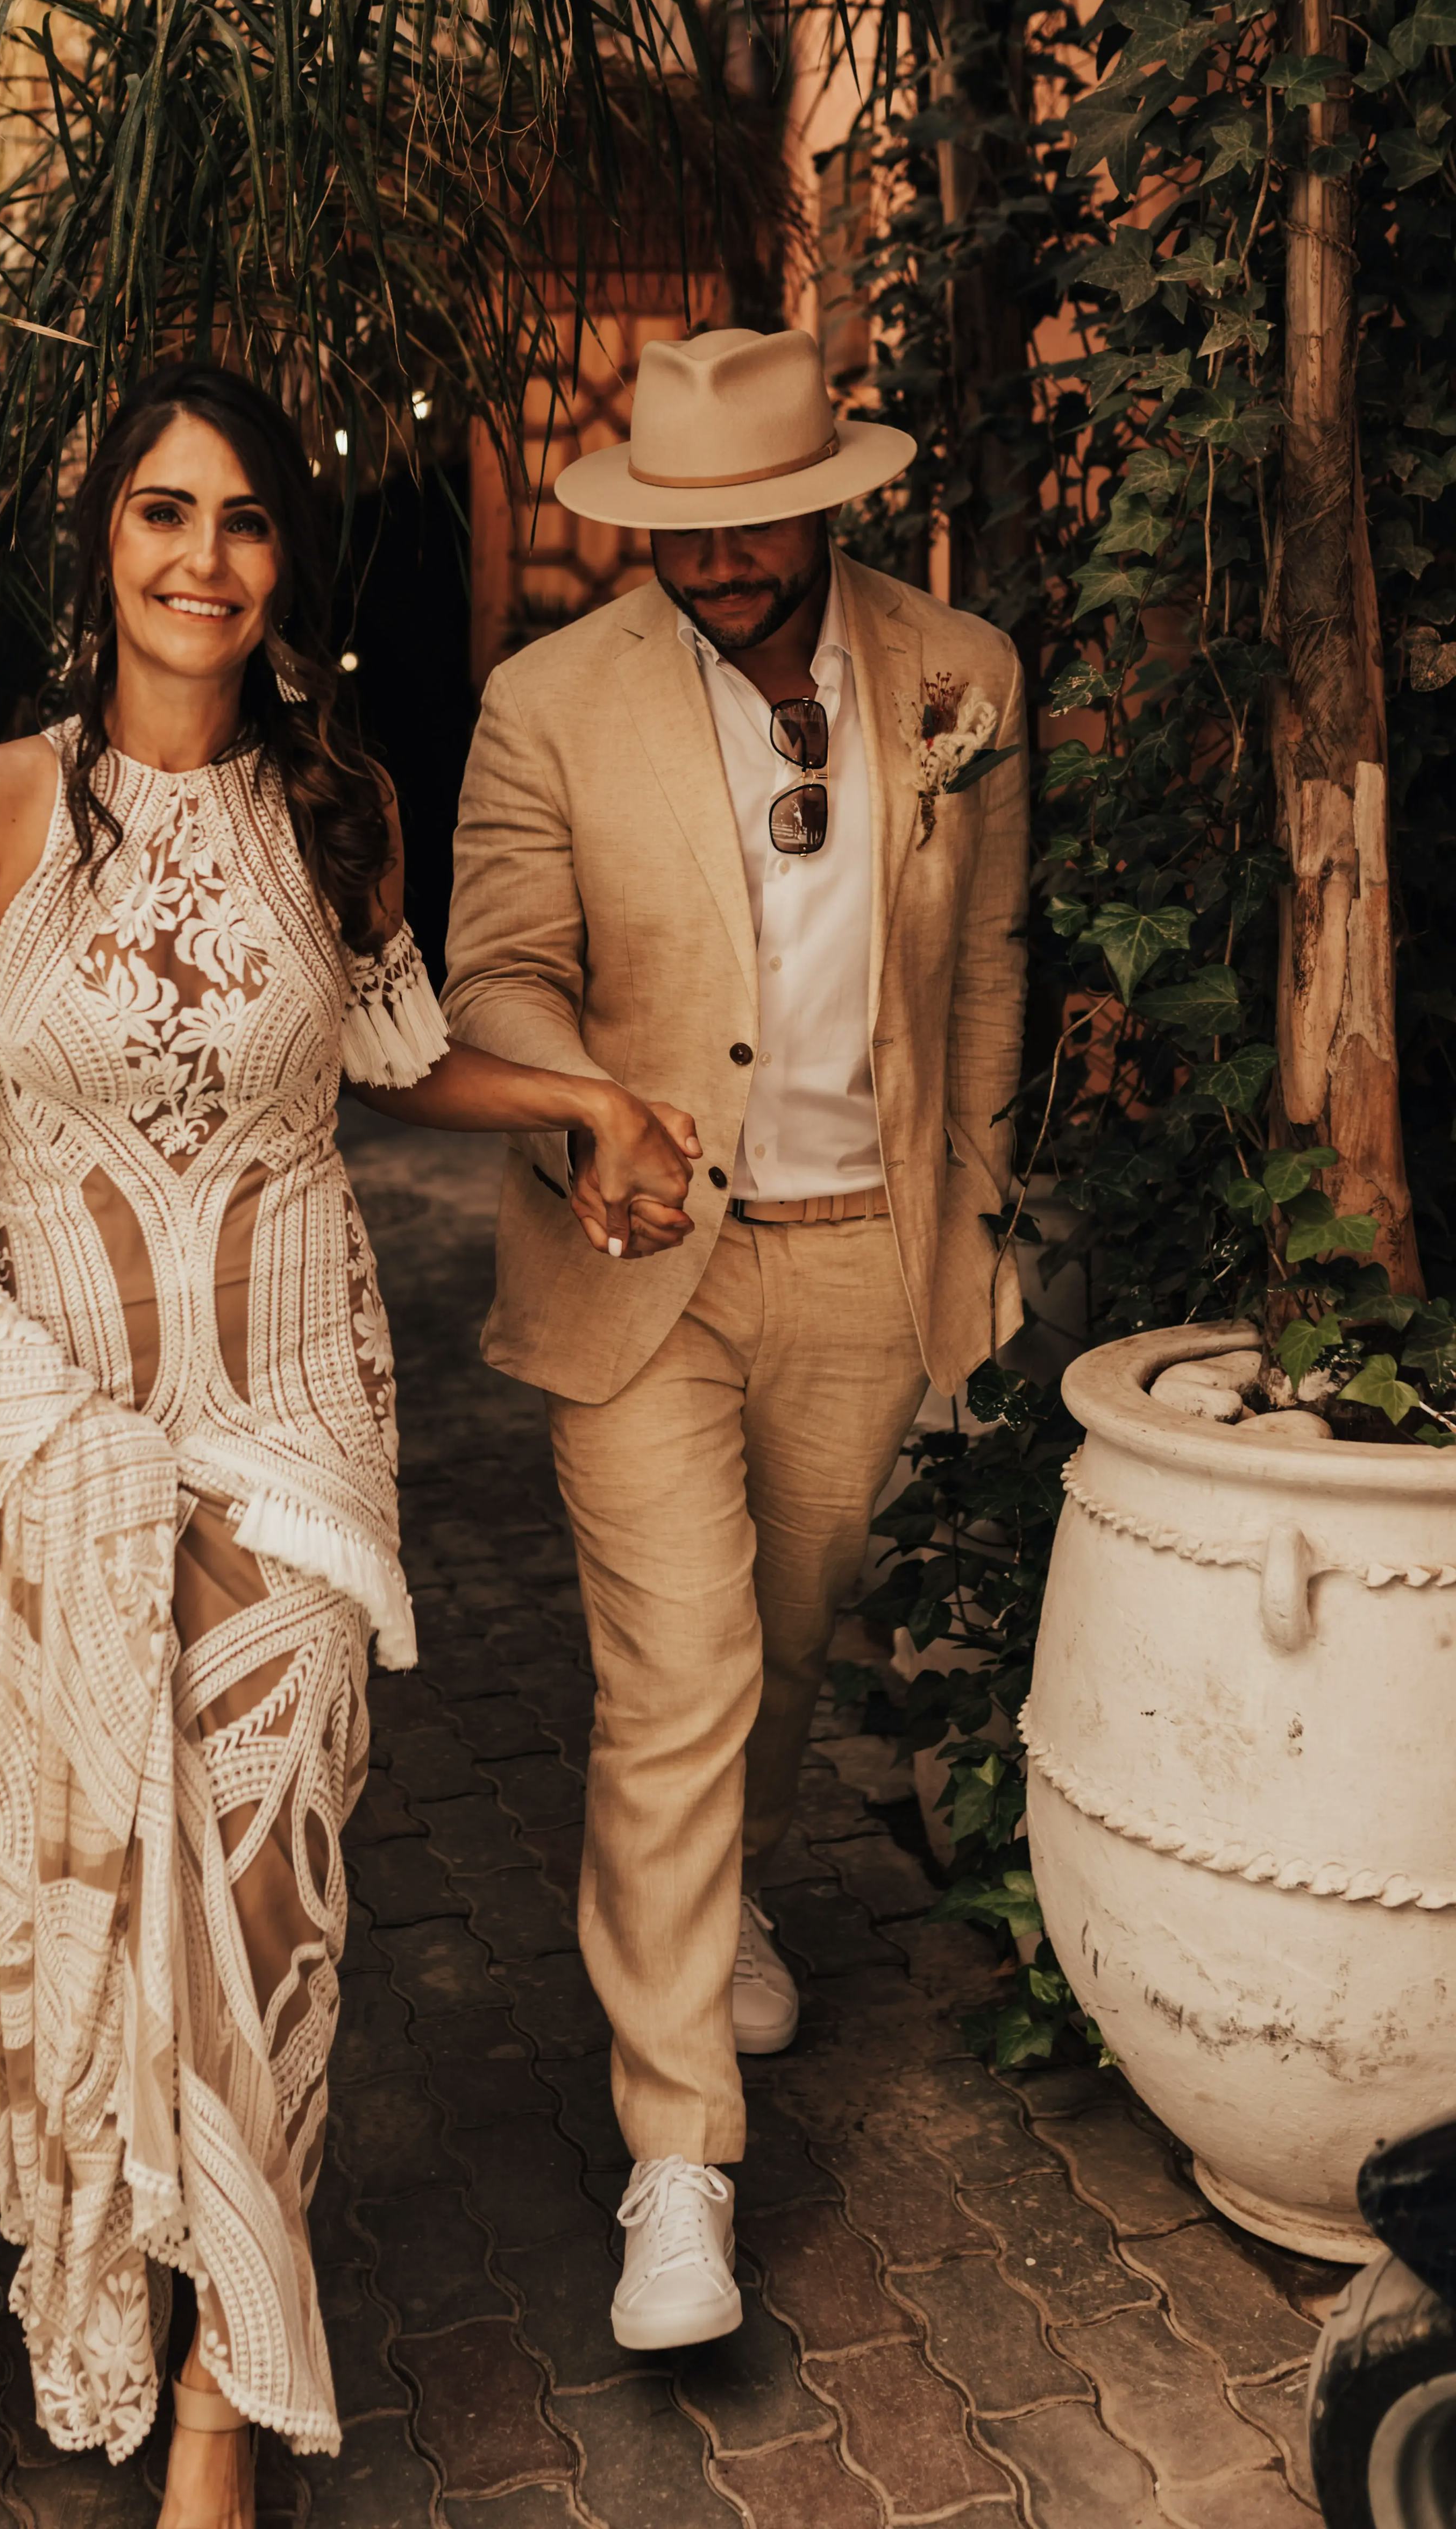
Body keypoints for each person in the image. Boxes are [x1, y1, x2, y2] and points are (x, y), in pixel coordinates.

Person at [0, 364, 695, 2529]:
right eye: (163, 512)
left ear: (283, 563)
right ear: (103, 545)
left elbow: (400, 1062)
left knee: (260, 1883)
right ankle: (163, 2275)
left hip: (303, 1419)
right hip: (69, 1432)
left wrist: (588, 1098)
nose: (200, 558)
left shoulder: (342, 810)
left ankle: (231, 2402)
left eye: (240, 521)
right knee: (105, 1890)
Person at [442, 324, 1028, 2353]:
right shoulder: (546, 705)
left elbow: (990, 976)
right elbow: (496, 982)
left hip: (869, 1249)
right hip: (641, 1267)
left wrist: (981, 1226)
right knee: (678, 1674)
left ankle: (735, 1895)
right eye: (675, 534)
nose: (713, 566)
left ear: (829, 500)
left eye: (751, 527)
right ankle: (679, 2160)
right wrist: (590, 1110)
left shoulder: (962, 678)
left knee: (783, 1643)